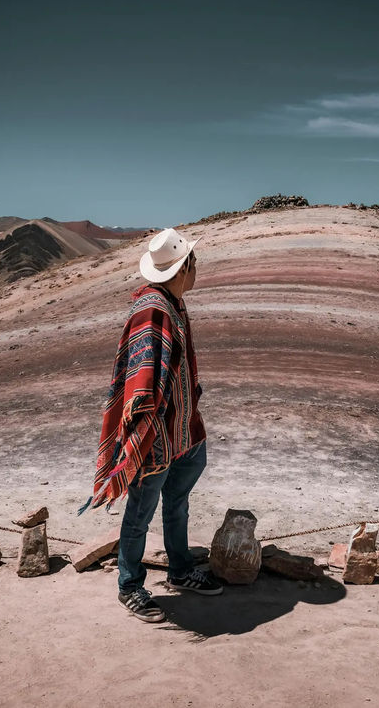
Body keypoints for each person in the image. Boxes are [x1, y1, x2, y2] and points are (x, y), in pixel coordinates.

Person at [80, 227, 223, 623]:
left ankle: (179, 569)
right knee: (140, 513)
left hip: (183, 428)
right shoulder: (153, 310)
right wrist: (143, 435)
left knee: (178, 503)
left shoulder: (172, 303)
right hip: (156, 436)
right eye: (194, 264)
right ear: (183, 269)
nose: (197, 270)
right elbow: (141, 380)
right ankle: (130, 585)